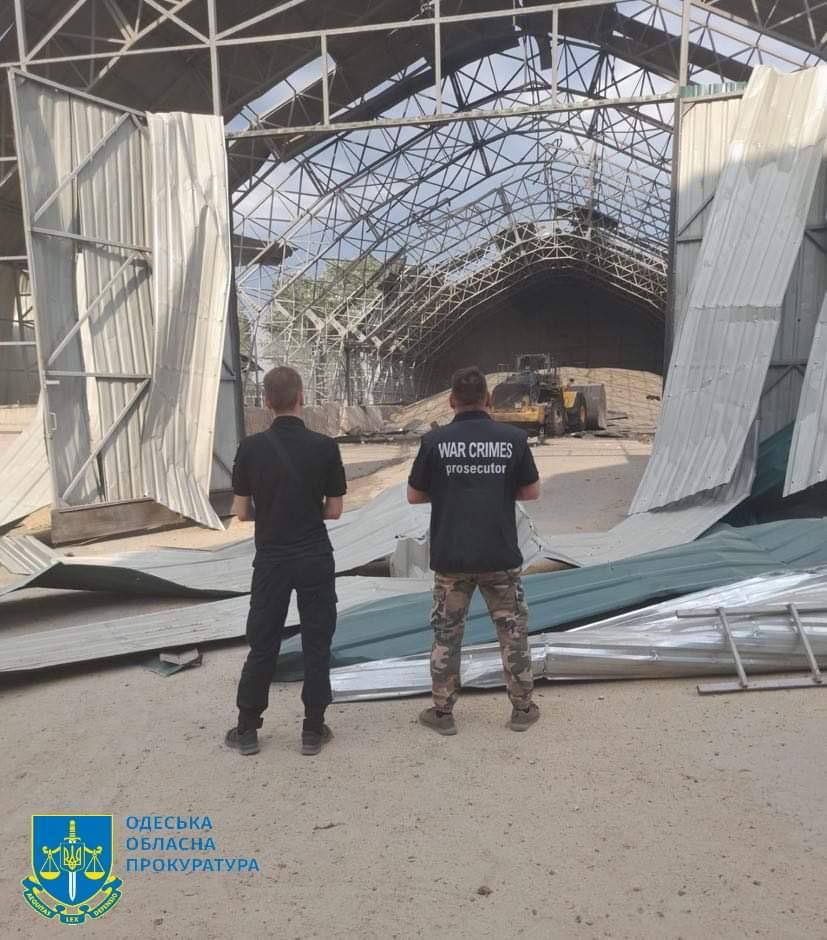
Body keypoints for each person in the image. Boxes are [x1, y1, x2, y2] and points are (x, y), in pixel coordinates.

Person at [407, 365, 541, 735]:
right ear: (488, 400)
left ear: (451, 401)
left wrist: (449, 489)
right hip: (499, 553)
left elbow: (414, 495)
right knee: (512, 630)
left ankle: (443, 713)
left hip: (452, 557)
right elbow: (532, 491)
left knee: (447, 634)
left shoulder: (434, 442)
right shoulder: (513, 439)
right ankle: (522, 709)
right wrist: (496, 487)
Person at [225, 366, 346, 757]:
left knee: (263, 642)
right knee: (317, 640)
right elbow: (334, 511)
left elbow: (241, 512)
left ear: (266, 401)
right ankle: (312, 729)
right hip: (314, 555)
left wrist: (272, 511)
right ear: (301, 397)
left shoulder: (250, 448)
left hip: (272, 559)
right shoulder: (325, 447)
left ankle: (247, 729)